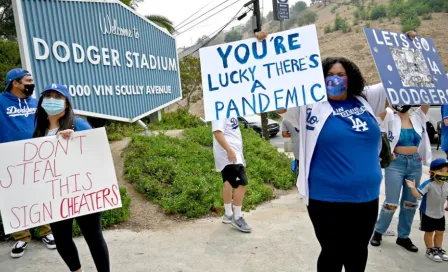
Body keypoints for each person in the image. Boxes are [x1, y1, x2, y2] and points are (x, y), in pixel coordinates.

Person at [279, 57, 386, 272]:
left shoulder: (365, 100)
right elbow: (276, 96)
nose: (335, 79)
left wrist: (408, 46)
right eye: (329, 75)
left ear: (351, 78)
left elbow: (398, 81)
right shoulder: (307, 106)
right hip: (326, 198)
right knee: (333, 252)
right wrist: (263, 46)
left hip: (367, 196)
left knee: (358, 251)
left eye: (341, 75)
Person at [33, 83, 110, 272]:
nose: (52, 100)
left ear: (66, 104)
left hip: (83, 192)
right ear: (42, 101)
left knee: (93, 236)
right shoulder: (38, 129)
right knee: (61, 238)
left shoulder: (78, 124)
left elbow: (97, 152)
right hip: (55, 195)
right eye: (48, 96)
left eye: (57, 97)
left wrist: (75, 139)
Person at [0, 68, 56, 258]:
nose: (31, 84)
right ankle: (22, 236)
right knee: (14, 198)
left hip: (37, 156)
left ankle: (47, 232)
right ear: (15, 83)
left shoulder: (35, 102)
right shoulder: (0, 102)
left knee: (42, 193)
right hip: (9, 159)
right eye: (28, 81)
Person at [370, 103, 431, 252]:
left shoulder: (417, 116)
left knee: (410, 203)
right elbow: (375, 122)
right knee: (391, 202)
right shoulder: (390, 115)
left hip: (415, 164)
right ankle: (378, 232)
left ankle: (403, 237)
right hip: (396, 164)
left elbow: (426, 99)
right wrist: (385, 149)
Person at [212, 116, 251, 233]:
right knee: (242, 183)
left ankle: (228, 214)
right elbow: (217, 132)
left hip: (231, 153)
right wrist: (229, 150)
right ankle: (237, 217)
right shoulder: (220, 111)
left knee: (228, 182)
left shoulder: (229, 109)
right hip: (229, 155)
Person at [405, 158, 448, 262]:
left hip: (440, 213)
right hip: (427, 213)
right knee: (429, 233)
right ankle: (430, 250)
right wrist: (412, 187)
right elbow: (417, 194)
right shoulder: (428, 184)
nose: (445, 174)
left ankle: (438, 249)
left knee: (440, 232)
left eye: (447, 171)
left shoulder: (446, 184)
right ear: (431, 172)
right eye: (441, 171)